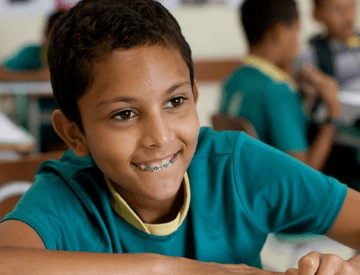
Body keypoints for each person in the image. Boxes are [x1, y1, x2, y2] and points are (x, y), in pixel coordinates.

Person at [1, 0, 360, 274]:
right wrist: (166, 267)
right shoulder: (69, 196)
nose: (159, 136)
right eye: (124, 114)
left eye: (175, 102)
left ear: (195, 97)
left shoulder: (235, 165)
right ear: (74, 133)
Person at [218, 0, 360, 190]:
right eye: (296, 31)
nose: (297, 41)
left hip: (250, 187)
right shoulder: (278, 92)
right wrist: (333, 114)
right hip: (282, 196)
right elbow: (303, 174)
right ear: (279, 32)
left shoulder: (233, 80)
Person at [0, 9, 68, 152]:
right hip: (32, 133)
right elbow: (1, 73)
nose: (61, 40)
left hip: (68, 137)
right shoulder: (32, 54)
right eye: (55, 34)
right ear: (45, 34)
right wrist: (38, 76)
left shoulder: (80, 59)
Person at [297, 0, 360, 91]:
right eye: (338, 9)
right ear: (316, 13)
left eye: (352, 6)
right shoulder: (310, 58)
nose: (348, 16)